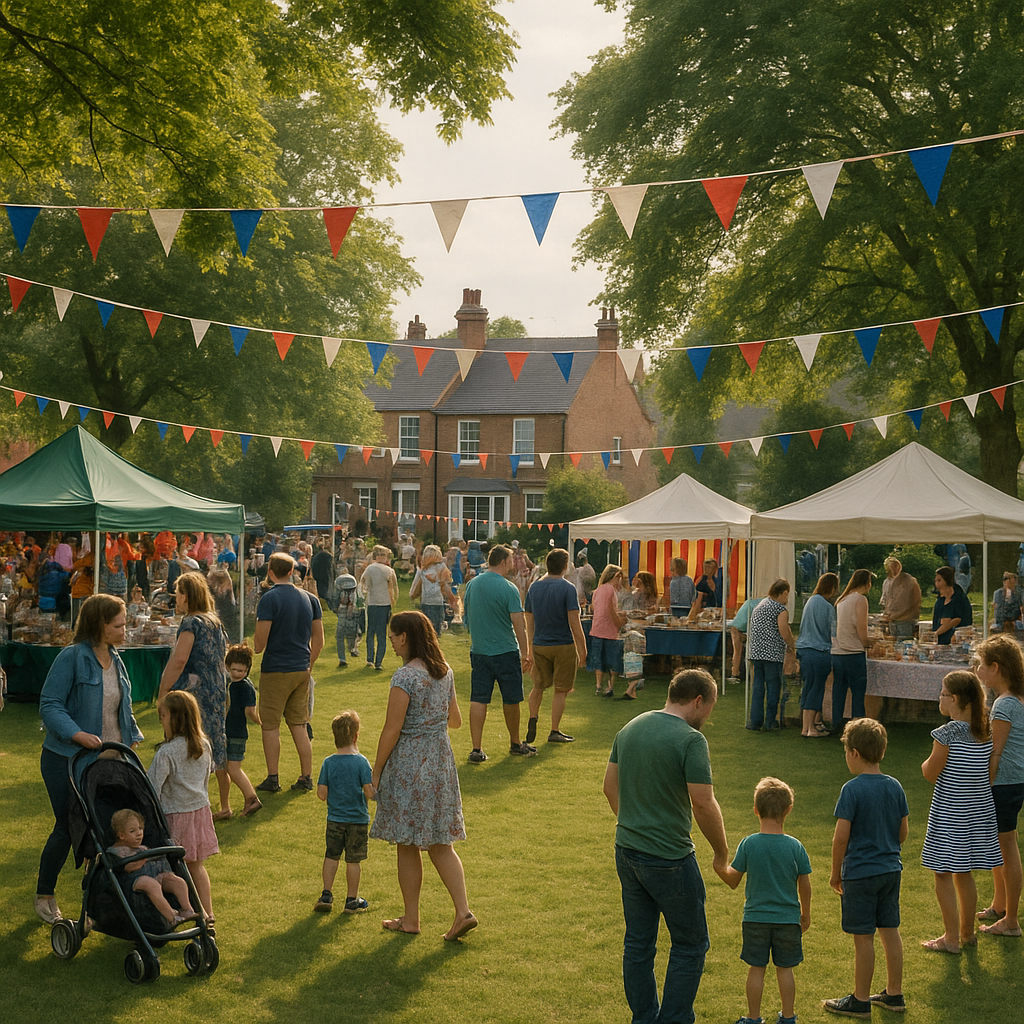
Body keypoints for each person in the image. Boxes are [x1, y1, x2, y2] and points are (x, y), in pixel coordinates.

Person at [603, 668, 730, 1024]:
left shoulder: (630, 728)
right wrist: (721, 853)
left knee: (638, 943)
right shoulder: (690, 740)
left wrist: (635, 822)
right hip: (670, 858)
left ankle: (644, 1018)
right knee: (690, 945)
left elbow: (609, 787)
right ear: (698, 701)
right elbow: (703, 803)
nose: (708, 717)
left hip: (627, 851)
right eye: (710, 708)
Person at [35, 595, 142, 924]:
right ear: (100, 625)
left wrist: (132, 739)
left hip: (108, 764)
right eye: (118, 625)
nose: (124, 630)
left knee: (107, 830)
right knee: (69, 827)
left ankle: (100, 903)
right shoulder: (72, 657)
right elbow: (50, 704)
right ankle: (44, 895)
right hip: (66, 759)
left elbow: (122, 708)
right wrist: (77, 734)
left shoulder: (117, 660)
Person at [370, 611, 476, 940]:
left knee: (407, 843)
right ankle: (463, 911)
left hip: (410, 764)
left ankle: (412, 919)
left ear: (405, 637)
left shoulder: (405, 677)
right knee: (440, 843)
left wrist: (376, 771)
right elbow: (455, 720)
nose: (391, 641)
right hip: (440, 763)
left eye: (393, 636)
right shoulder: (444, 672)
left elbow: (392, 729)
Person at [823, 719, 909, 1017]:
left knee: (863, 938)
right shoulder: (895, 786)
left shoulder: (852, 789)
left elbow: (840, 838)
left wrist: (835, 873)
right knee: (890, 930)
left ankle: (860, 999)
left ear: (855, 753)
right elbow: (902, 833)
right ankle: (894, 994)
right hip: (890, 870)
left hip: (860, 873)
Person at [920, 670, 1002, 953]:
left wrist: (924, 764)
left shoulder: (947, 734)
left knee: (942, 873)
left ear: (954, 698)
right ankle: (967, 934)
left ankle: (951, 938)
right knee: (964, 873)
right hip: (976, 811)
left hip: (950, 812)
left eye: (942, 693)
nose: (939, 698)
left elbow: (930, 772)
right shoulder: (984, 731)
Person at [720, 777, 812, 1024]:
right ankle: (788, 1017)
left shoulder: (749, 844)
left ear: (756, 810)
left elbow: (732, 879)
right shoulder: (795, 847)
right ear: (788, 810)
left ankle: (753, 1018)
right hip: (788, 920)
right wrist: (805, 914)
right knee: (785, 969)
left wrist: (719, 865)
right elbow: (805, 885)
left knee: (756, 969)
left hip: (755, 919)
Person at [254, 552, 325, 794]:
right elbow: (319, 640)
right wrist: (309, 664)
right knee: (299, 724)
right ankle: (306, 776)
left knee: (270, 726)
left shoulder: (269, 598)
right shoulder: (310, 599)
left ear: (270, 571)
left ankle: (273, 778)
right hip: (301, 668)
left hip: (275, 668)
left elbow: (260, 643)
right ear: (292, 571)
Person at [148, 690, 219, 923]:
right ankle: (208, 914)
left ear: (176, 718)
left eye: (163, 716)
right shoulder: (204, 745)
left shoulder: (166, 752)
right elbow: (207, 776)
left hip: (176, 816)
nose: (161, 721)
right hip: (200, 812)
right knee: (197, 866)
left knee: (176, 869)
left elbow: (151, 787)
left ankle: (187, 913)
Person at [462, 544, 535, 762]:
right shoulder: (509, 588)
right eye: (511, 560)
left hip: (479, 650)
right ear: (503, 562)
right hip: (505, 650)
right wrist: (526, 653)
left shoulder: (472, 585)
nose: (513, 563)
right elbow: (519, 623)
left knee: (479, 698)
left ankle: (476, 748)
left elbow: (467, 618)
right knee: (511, 699)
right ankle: (515, 742)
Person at [974, 634, 1024, 937]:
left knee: (1006, 846)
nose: (978, 670)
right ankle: (1000, 904)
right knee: (1000, 844)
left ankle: (1011, 920)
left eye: (981, 665)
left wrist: (984, 785)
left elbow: (995, 752)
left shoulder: (1004, 704)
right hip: (1014, 781)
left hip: (1004, 783)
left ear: (996, 667)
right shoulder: (1016, 699)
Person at [157, 571, 229, 771]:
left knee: (189, 743)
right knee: (212, 745)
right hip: (216, 690)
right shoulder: (214, 622)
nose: (176, 598)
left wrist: (163, 691)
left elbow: (179, 660)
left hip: (194, 694)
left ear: (186, 596)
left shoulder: (191, 622)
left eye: (178, 593)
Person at [523, 548, 589, 745]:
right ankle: (554, 730)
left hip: (540, 644)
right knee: (561, 689)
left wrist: (530, 647)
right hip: (563, 644)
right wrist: (583, 648)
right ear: (564, 566)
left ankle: (533, 716)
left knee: (538, 686)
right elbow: (574, 621)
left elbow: (529, 620)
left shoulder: (534, 587)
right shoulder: (568, 588)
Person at [314, 710, 376, 914]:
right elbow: (369, 792)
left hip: (334, 820)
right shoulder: (361, 762)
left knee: (331, 855)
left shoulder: (328, 762)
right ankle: (351, 900)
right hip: (357, 821)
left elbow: (321, 794)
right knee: (353, 860)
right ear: (356, 736)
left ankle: (326, 895)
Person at [109, 808, 198, 927]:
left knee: (177, 882)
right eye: (132, 831)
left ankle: (187, 910)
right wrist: (143, 859)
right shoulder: (116, 852)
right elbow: (128, 868)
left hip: (154, 876)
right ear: (121, 835)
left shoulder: (142, 848)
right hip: (131, 881)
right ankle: (171, 917)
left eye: (140, 828)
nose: (139, 833)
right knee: (151, 884)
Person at [213, 643, 262, 820]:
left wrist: (260, 722)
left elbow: (250, 711)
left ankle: (252, 798)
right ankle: (225, 808)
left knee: (233, 769)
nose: (237, 673)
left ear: (247, 670)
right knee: (221, 769)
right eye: (234, 669)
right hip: (224, 732)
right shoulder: (228, 684)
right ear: (227, 667)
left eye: (241, 671)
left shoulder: (246, 687)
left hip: (236, 733)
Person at [746, 579, 796, 732]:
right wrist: (791, 644)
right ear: (784, 593)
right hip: (772, 654)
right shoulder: (779, 609)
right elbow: (784, 629)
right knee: (773, 688)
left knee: (758, 688)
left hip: (756, 652)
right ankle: (770, 721)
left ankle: (755, 721)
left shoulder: (761, 605)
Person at [796, 572, 839, 737]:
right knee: (816, 689)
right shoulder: (827, 607)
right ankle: (811, 729)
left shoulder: (810, 601)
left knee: (808, 688)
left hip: (805, 650)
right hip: (820, 651)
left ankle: (805, 727)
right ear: (832, 587)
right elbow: (833, 632)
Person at [831, 569, 872, 729]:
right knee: (857, 693)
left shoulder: (842, 599)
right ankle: (857, 727)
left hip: (838, 652)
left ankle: (836, 723)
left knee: (839, 691)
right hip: (853, 652)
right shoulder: (860, 600)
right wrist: (868, 642)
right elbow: (861, 628)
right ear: (867, 583)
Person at [588, 564, 628, 698]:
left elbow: (595, 609)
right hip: (609, 630)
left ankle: (598, 685)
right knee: (611, 660)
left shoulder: (598, 590)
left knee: (598, 660)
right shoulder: (610, 590)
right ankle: (610, 686)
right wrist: (619, 622)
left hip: (597, 629)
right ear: (616, 576)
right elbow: (610, 610)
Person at [359, 545, 399, 670]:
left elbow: (363, 582)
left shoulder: (370, 568)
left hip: (372, 603)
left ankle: (370, 659)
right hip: (384, 603)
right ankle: (378, 662)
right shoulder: (389, 570)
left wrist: (365, 592)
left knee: (371, 631)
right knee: (381, 633)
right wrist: (394, 601)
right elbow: (394, 588)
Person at [409, 544, 456, 635]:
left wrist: (413, 594)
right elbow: (445, 586)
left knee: (427, 628)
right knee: (436, 629)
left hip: (426, 601)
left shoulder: (423, 569)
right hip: (437, 601)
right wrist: (451, 598)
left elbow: (418, 585)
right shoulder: (441, 567)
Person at [880, 558, 921, 641]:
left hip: (905, 621)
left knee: (905, 644)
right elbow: (885, 600)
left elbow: (914, 601)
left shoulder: (909, 581)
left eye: (896, 566)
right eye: (892, 566)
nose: (895, 569)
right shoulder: (887, 582)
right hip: (891, 621)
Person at [931, 565, 972, 645]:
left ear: (946, 581)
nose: (937, 584)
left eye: (939, 581)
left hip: (956, 640)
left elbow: (956, 620)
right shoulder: (940, 600)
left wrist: (935, 634)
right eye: (935, 581)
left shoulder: (959, 598)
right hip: (940, 641)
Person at [333, 571, 363, 668]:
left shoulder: (340, 595)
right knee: (352, 634)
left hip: (342, 615)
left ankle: (342, 658)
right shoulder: (354, 595)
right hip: (353, 615)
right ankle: (352, 649)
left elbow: (335, 604)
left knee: (340, 637)